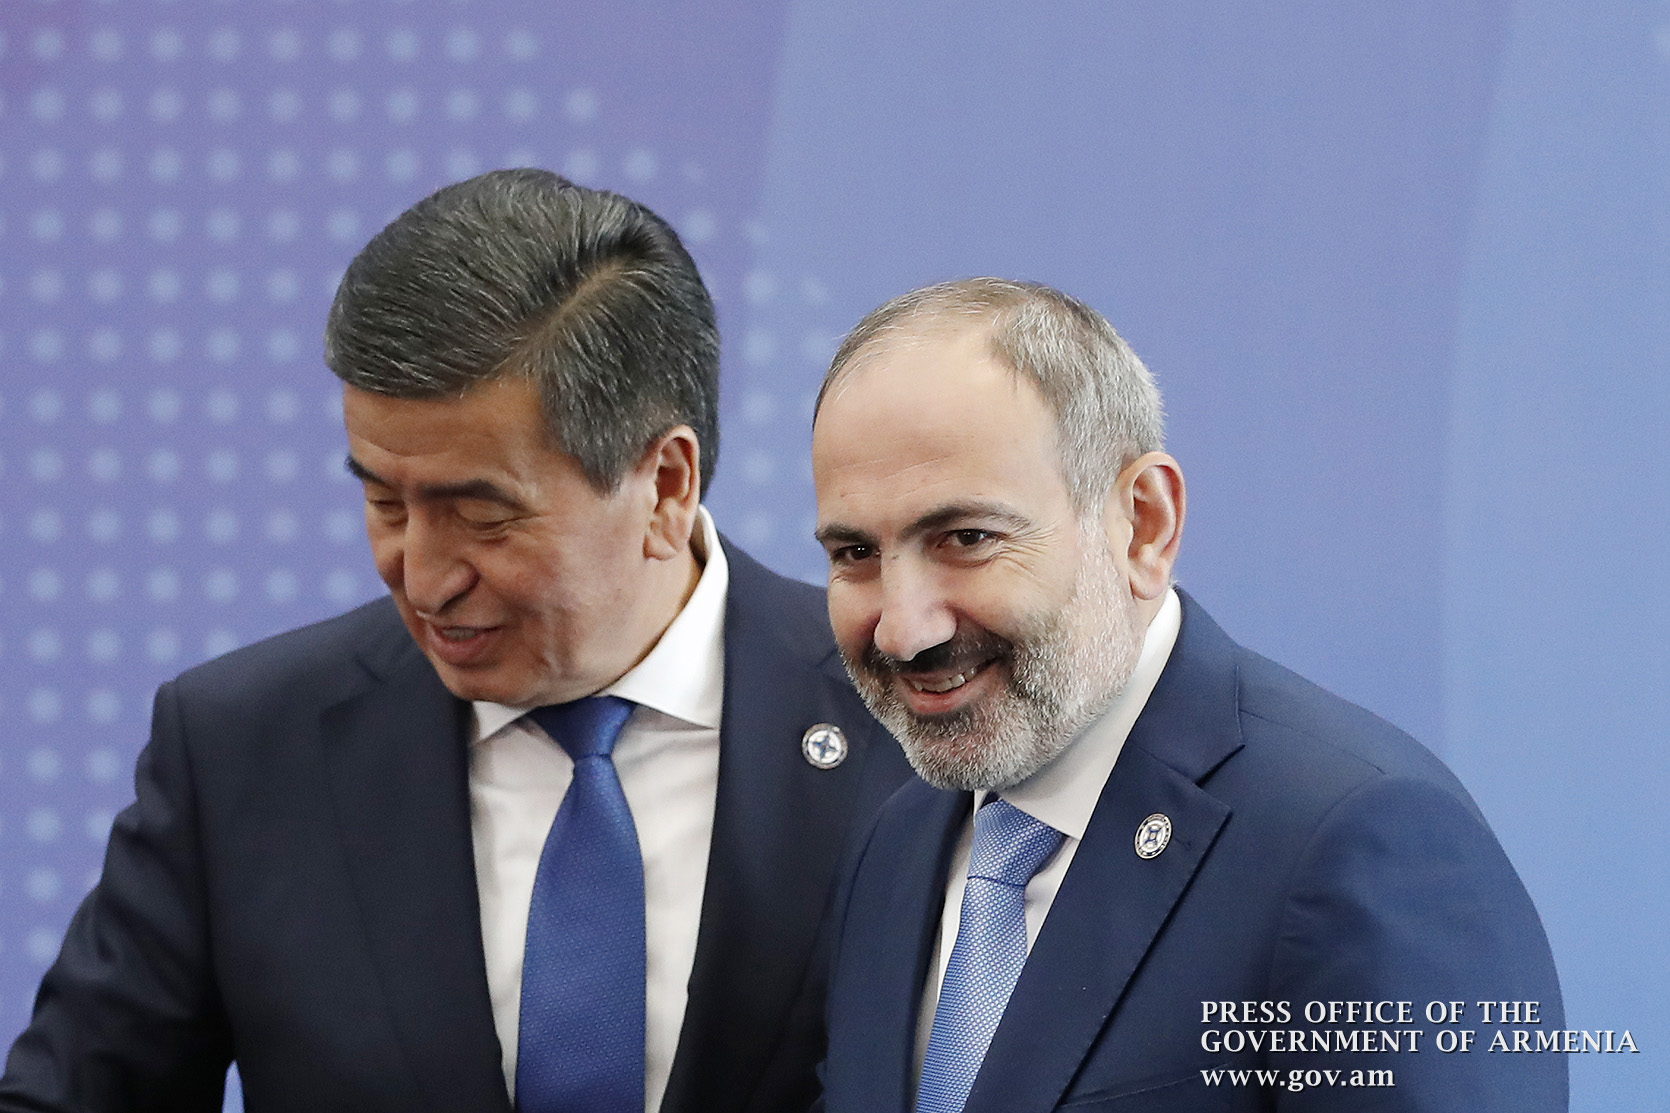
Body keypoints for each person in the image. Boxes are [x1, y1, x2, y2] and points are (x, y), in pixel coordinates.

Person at [0, 169, 909, 1113]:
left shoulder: (903, 725)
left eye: (482, 515)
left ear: (665, 486)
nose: (424, 577)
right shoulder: (242, 749)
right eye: (385, 502)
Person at [810, 278, 1565, 1112]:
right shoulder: (897, 838)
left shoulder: (1359, 839)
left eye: (967, 538)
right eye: (854, 554)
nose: (902, 630)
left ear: (1144, 524)